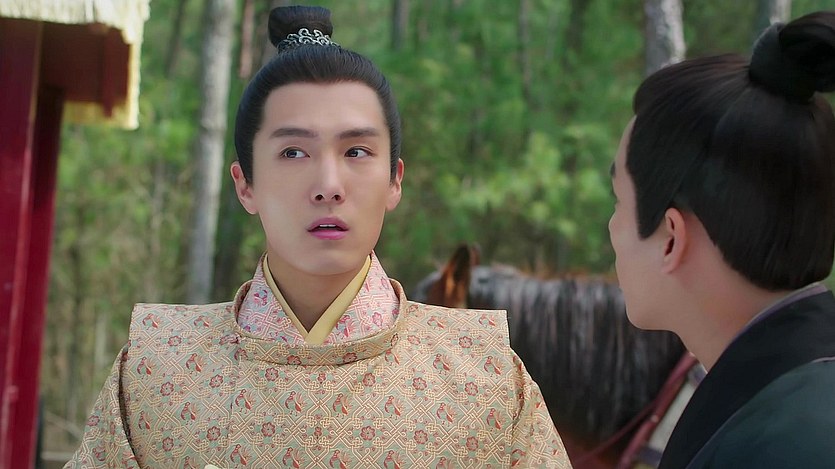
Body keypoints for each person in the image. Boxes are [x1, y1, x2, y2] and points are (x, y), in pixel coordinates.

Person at [66, 5, 570, 468]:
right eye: (293, 153)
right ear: (245, 185)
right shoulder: (157, 369)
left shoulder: (483, 374)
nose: (328, 186)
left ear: (394, 181)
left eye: (356, 152)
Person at [609, 10, 835, 469]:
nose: (612, 228)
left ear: (671, 238)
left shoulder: (783, 447)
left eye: (618, 201)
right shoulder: (795, 406)